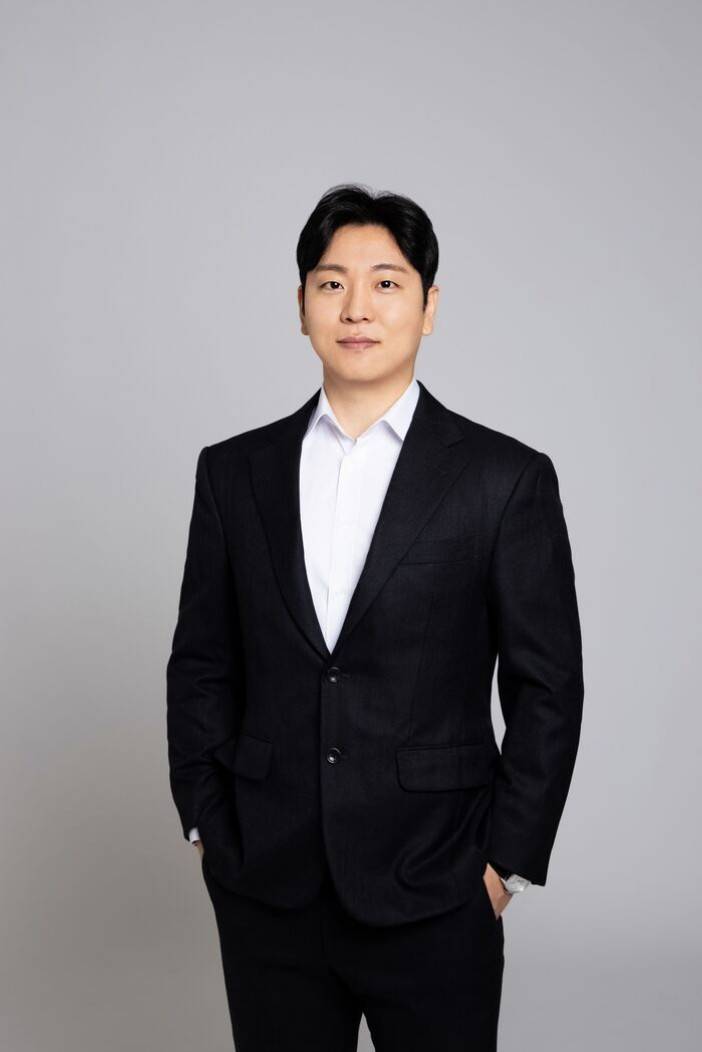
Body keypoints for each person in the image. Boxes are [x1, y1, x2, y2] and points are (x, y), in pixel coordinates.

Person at [166, 183, 584, 1051]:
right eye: (332, 283)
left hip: (438, 883)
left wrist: (504, 865)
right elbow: (202, 662)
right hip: (267, 884)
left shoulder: (503, 479)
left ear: (429, 307)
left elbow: (548, 687)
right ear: (302, 306)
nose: (357, 307)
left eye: (387, 283)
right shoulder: (233, 473)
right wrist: (208, 826)